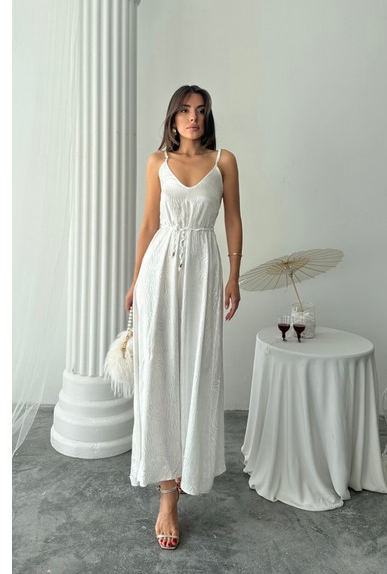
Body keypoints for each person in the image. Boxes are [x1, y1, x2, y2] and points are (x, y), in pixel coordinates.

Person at [125, 84, 243, 550]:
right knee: (159, 373)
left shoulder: (224, 161)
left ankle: (189, 469)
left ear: (207, 117)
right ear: (173, 118)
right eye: (185, 110)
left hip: (204, 273)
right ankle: (166, 499)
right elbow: (149, 225)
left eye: (201, 111)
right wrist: (135, 280)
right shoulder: (157, 162)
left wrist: (235, 276)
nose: (193, 117)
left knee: (197, 370)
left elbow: (233, 219)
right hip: (159, 273)